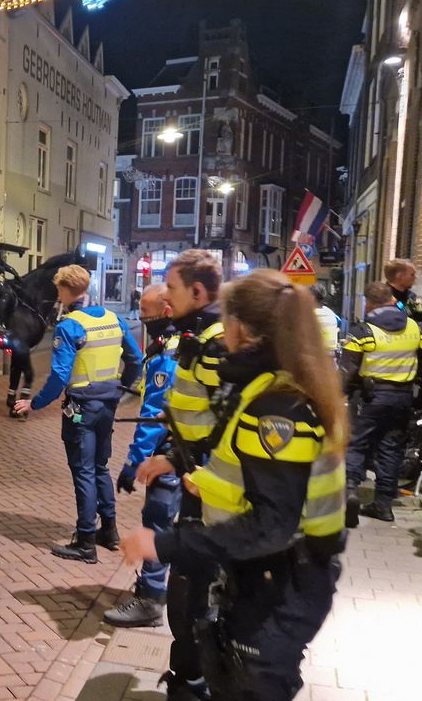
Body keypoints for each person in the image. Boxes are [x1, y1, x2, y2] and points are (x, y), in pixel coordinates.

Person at [125, 270, 348, 701]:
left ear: (240, 326)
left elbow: (272, 525)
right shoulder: (271, 387)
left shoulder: (277, 409)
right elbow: (257, 477)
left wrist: (163, 545)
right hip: (273, 575)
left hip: (278, 581)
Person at [131, 249, 226, 701]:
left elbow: (231, 427)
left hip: (212, 495)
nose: (165, 298)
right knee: (186, 596)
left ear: (198, 291)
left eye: (171, 288)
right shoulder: (197, 334)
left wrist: (197, 472)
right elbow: (197, 418)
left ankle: (195, 685)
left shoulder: (219, 343)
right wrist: (171, 458)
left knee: (196, 599)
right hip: (193, 480)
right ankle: (187, 680)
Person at [15, 265, 142, 563]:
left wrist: (34, 404)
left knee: (83, 470)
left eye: (58, 289)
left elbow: (59, 376)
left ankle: (85, 541)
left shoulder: (69, 326)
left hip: (81, 407)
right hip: (107, 404)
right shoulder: (114, 319)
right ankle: (109, 531)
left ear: (63, 290)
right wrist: (119, 391)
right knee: (100, 467)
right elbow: (136, 360)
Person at [104, 284, 180, 628]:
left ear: (165, 311)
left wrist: (134, 462)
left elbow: (154, 415)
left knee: (158, 517)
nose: (143, 320)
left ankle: (150, 600)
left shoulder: (170, 353)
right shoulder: (177, 343)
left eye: (147, 315)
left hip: (174, 453)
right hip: (187, 451)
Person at [339, 282, 422, 525]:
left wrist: (341, 393)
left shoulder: (363, 331)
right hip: (402, 397)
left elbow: (348, 369)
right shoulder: (414, 327)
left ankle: (350, 490)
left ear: (368, 303)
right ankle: (384, 504)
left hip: (369, 397)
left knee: (357, 443)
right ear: (391, 300)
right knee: (391, 448)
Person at [383, 258, 422, 327]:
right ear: (400, 276)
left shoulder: (411, 297)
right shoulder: (381, 298)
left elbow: (421, 316)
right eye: (412, 275)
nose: (415, 278)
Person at [311, 284, 341, 354]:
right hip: (332, 353)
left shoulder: (309, 314)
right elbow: (339, 323)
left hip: (315, 354)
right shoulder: (330, 312)